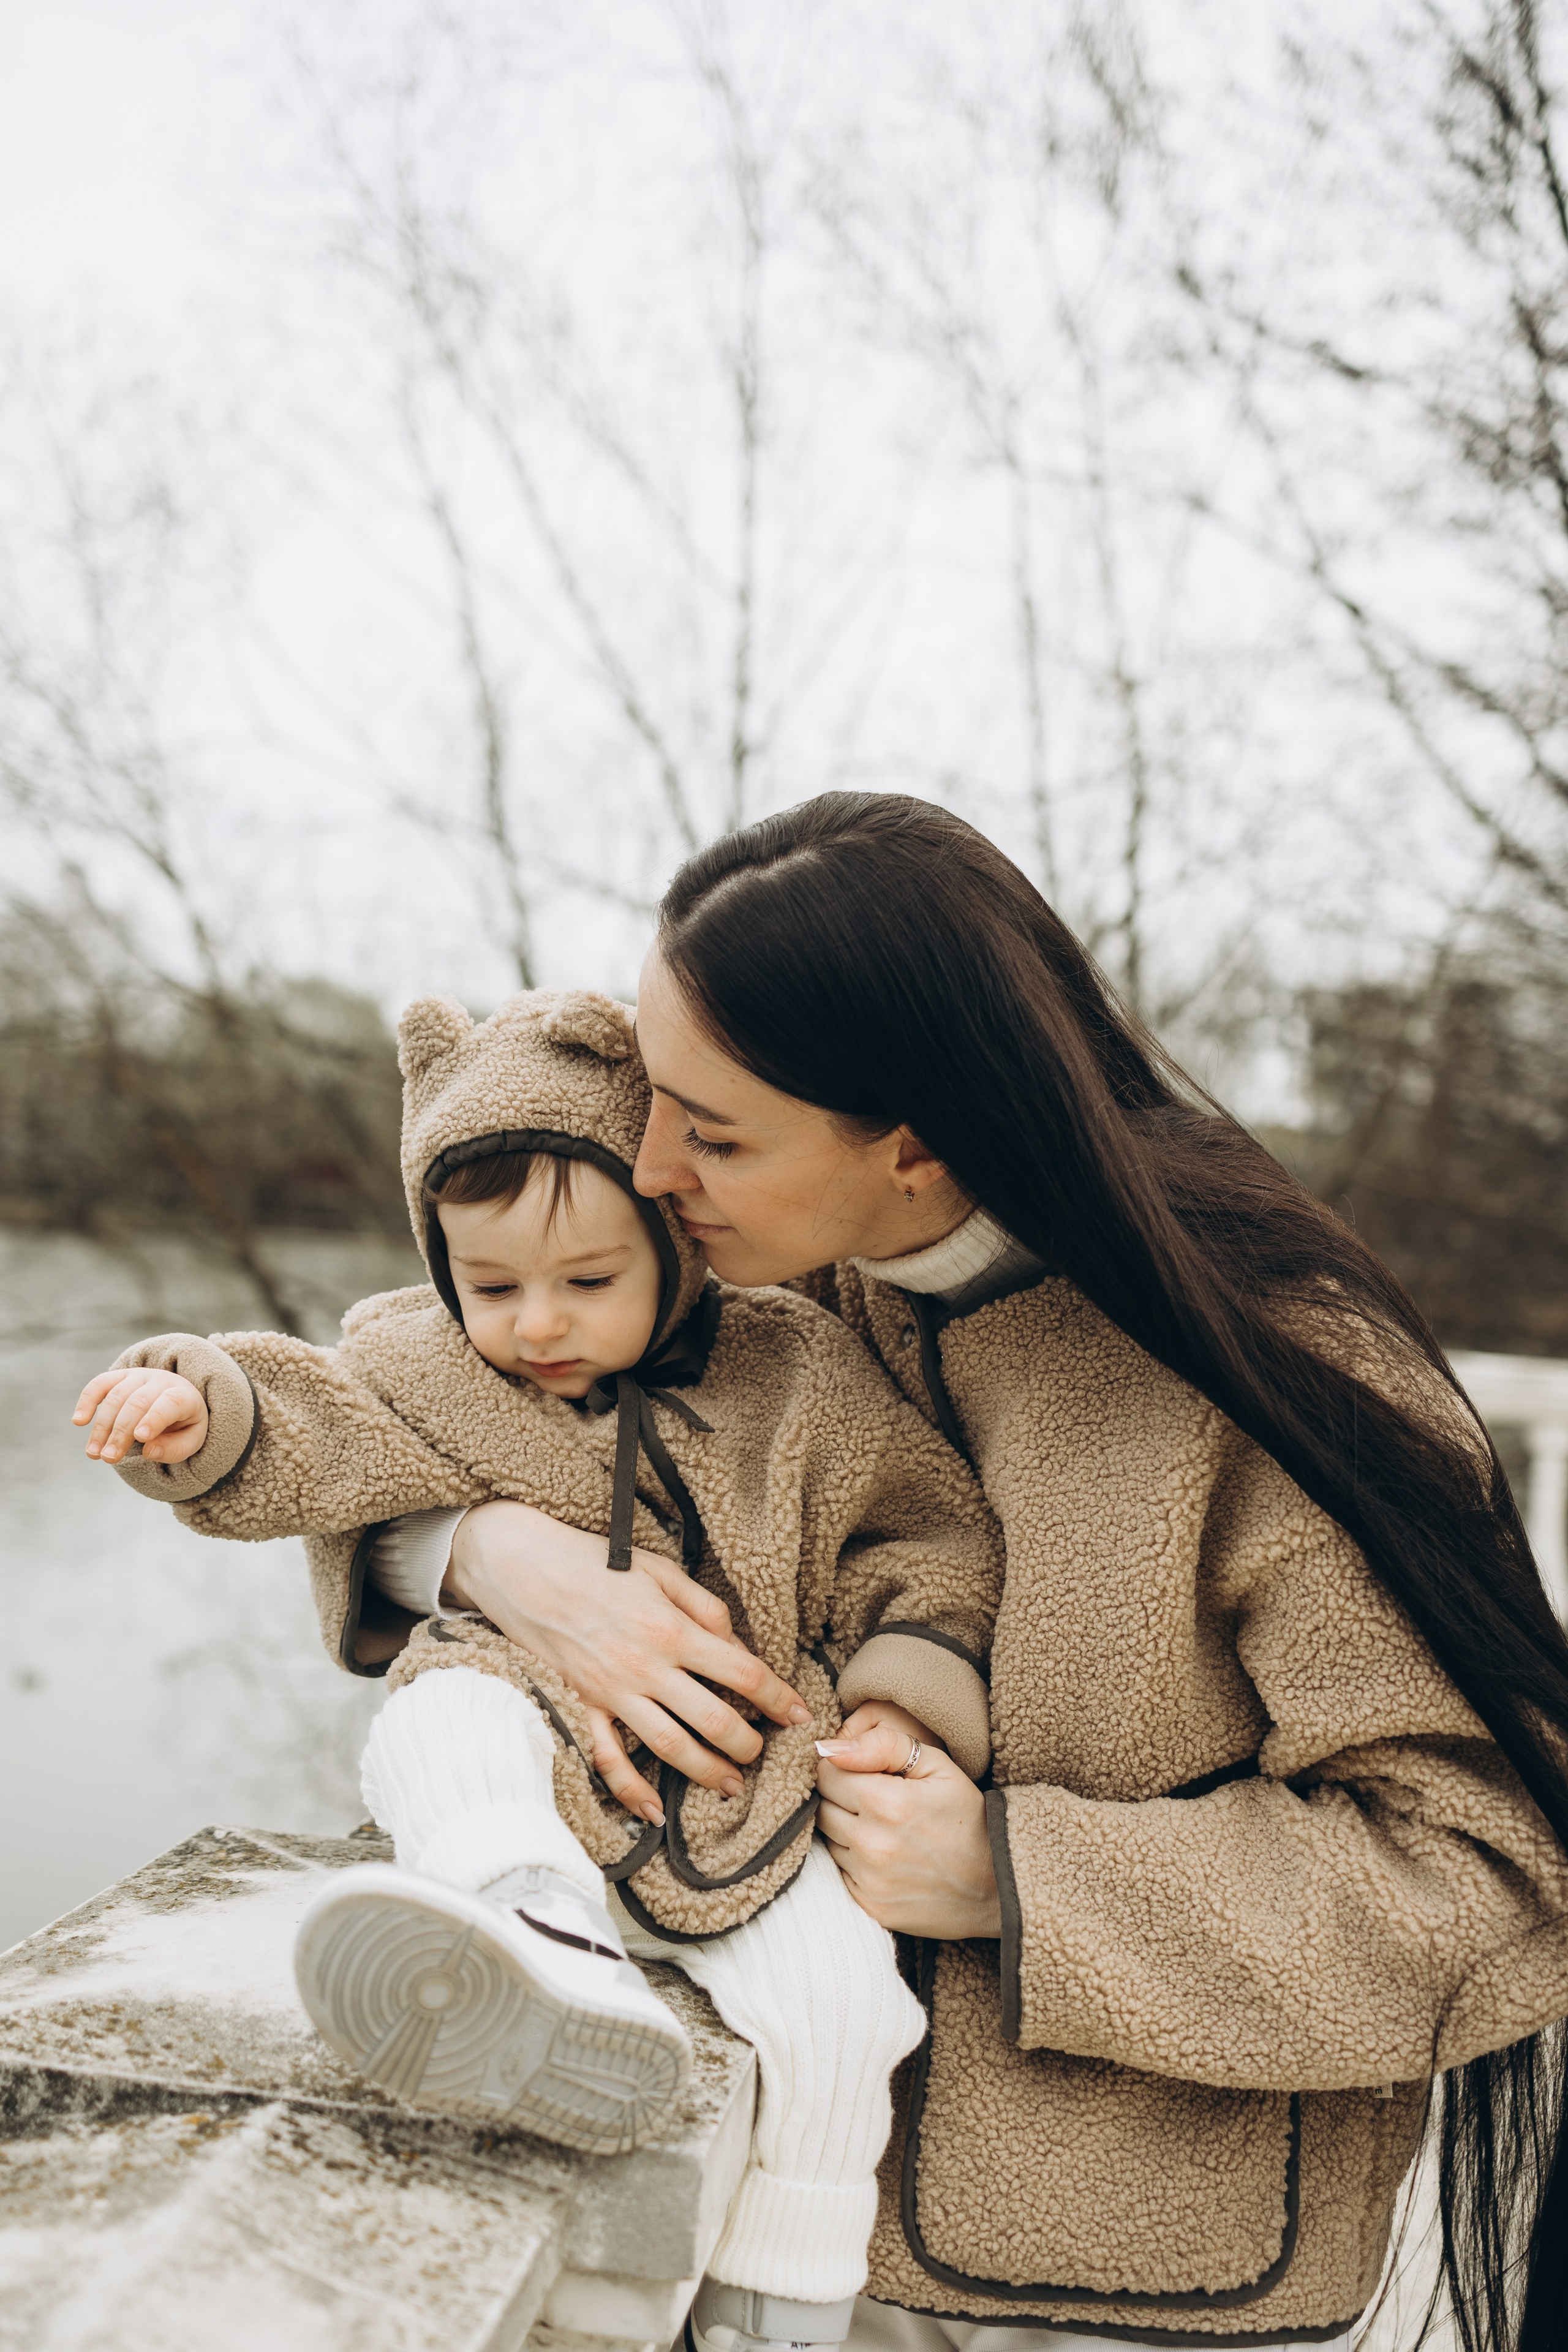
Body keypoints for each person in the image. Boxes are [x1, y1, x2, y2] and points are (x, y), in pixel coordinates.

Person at [369, 794, 1568, 2352]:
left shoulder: (1277, 1371)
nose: (649, 1166)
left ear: (918, 1143)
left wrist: (1012, 1874)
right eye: (652, 1102)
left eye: (710, 1131)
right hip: (807, 2238)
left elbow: (1489, 1883)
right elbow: (418, 1416)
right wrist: (492, 1555)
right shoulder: (790, 1313)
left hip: (1137, 2298)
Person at [74, 981, 1003, 2352]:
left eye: (588, 1282)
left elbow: (922, 1545)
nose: (538, 1324)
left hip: (749, 1776)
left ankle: (781, 2315)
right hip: (536, 1750)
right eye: (493, 1284)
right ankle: (527, 1929)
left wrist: (902, 1709)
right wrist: (193, 1406)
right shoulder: (429, 1367)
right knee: (447, 1713)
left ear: (674, 1245)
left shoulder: (789, 1374)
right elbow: (306, 1423)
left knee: (840, 2000)